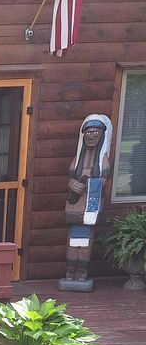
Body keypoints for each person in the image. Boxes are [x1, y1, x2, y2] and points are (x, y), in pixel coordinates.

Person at [59, 114, 112, 291]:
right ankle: (70, 270)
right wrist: (73, 184)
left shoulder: (101, 160)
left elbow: (103, 180)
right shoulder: (77, 160)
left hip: (90, 204)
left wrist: (89, 184)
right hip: (75, 205)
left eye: (95, 132)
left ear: (101, 135)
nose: (90, 136)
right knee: (73, 240)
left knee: (86, 240)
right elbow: (70, 178)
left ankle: (81, 271)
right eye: (88, 132)